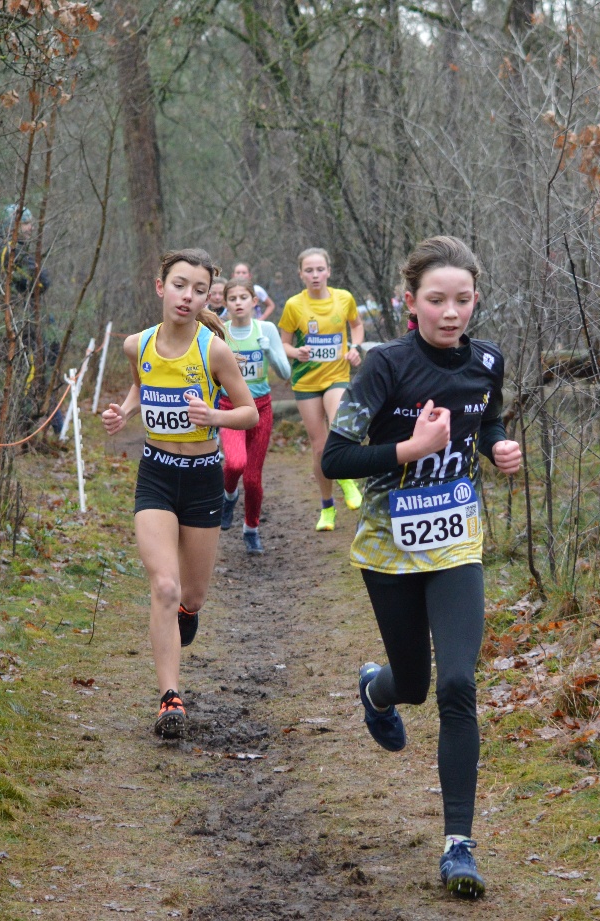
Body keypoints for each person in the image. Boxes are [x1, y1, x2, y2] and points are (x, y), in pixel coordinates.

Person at [321, 236, 522, 900]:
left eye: (462, 300)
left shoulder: (487, 360)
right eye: (436, 300)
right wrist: (411, 446)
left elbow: (483, 419)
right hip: (389, 547)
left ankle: (458, 844)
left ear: (475, 300)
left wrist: (497, 446)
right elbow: (336, 459)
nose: (450, 313)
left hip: (457, 539)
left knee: (458, 683)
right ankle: (378, 689)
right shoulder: (384, 366)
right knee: (413, 683)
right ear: (410, 302)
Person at [101, 249, 258, 738]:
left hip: (203, 477)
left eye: (198, 289)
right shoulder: (135, 344)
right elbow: (141, 386)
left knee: (191, 594)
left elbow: (249, 413)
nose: (187, 296)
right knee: (163, 587)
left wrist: (215, 417)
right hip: (156, 474)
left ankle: (187, 612)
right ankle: (170, 698)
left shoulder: (213, 350)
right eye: (179, 285)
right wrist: (123, 412)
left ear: (207, 295)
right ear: (160, 287)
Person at [277, 247, 365, 531]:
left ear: (328, 271)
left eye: (320, 269)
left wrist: (355, 347)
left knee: (340, 425)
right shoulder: (294, 305)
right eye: (309, 270)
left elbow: (357, 325)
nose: (315, 275)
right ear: (301, 274)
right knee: (319, 448)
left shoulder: (344, 298)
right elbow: (283, 344)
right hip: (305, 382)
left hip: (336, 376)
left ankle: (347, 480)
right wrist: (296, 352)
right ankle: (327, 506)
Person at [218, 279, 290, 554]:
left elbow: (285, 373)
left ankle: (251, 529)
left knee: (252, 478)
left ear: (254, 302)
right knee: (234, 464)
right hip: (230, 408)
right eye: (232, 298)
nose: (238, 302)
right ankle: (228, 496)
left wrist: (269, 349)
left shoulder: (266, 329)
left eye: (243, 297)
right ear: (225, 304)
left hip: (261, 409)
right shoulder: (220, 332)